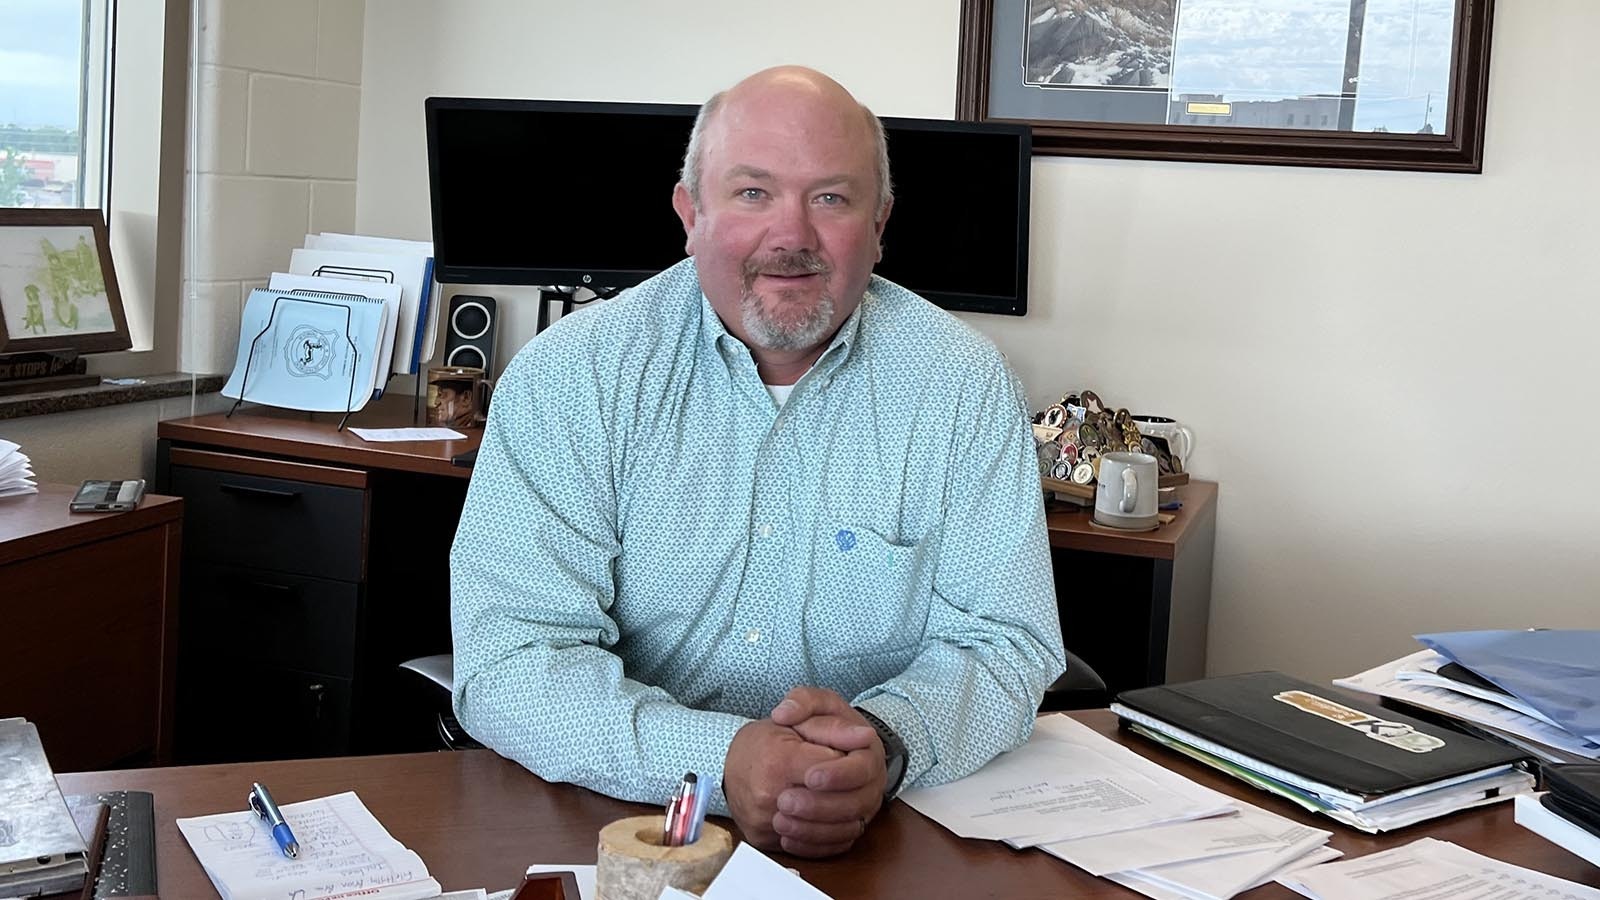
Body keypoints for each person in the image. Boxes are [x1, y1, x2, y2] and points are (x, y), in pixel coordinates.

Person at [450, 65, 1065, 859]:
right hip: (622, 825)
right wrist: (719, 759)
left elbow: (1007, 639)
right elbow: (512, 658)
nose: (792, 236)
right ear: (690, 213)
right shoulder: (573, 377)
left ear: (879, 225)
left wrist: (885, 740)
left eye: (831, 198)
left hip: (876, 828)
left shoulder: (960, 384)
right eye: (752, 194)